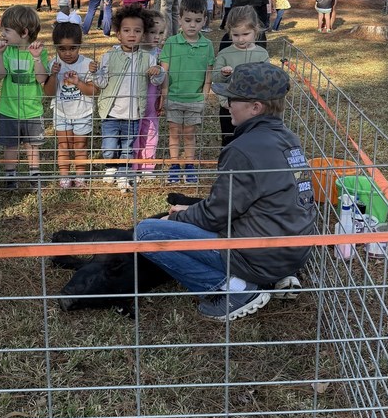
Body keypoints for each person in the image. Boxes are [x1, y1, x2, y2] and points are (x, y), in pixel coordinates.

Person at [135, 62, 316, 323]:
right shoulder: (288, 139)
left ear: (255, 107)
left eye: (232, 98)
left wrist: (175, 219)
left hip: (258, 254)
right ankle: (269, 278)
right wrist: (190, 211)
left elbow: (216, 215)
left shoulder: (243, 149)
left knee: (147, 232)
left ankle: (236, 289)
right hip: (290, 252)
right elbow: (242, 204)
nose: (226, 103)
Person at [93, 4, 165, 192]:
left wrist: (158, 71)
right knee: (109, 145)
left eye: (137, 31)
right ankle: (110, 167)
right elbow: (101, 83)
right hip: (111, 111)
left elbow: (156, 81)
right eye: (126, 30)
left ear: (142, 34)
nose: (132, 34)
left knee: (128, 146)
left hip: (134, 113)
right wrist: (95, 73)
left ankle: (124, 174)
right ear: (118, 34)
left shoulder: (148, 58)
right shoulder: (109, 56)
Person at [0, 5, 49, 190]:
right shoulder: (7, 51)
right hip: (9, 110)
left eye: (7, 30)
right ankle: (11, 178)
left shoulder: (40, 51)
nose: (2, 34)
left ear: (24, 32)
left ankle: (34, 176)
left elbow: (41, 79)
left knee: (32, 146)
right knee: (10, 145)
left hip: (32, 110)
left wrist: (37, 58)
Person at [161, 0, 216, 185]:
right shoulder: (171, 43)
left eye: (197, 20)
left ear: (204, 21)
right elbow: (164, 72)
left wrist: (204, 95)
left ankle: (190, 165)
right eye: (188, 20)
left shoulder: (207, 45)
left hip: (194, 99)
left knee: (190, 133)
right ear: (180, 19)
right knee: (174, 132)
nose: (192, 25)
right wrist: (164, 95)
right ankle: (175, 165)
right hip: (174, 97)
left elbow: (209, 73)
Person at [44, 20, 98, 189]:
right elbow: (49, 93)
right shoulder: (53, 64)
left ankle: (80, 176)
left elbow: (94, 91)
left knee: (80, 145)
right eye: (62, 49)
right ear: (55, 47)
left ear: (79, 45)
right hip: (61, 112)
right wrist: (53, 75)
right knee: (63, 145)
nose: (67, 53)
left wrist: (78, 83)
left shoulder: (87, 64)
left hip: (82, 112)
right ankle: (65, 176)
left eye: (72, 48)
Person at [211, 6, 270, 148]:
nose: (241, 39)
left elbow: (267, 79)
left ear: (255, 31)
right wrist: (223, 76)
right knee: (230, 139)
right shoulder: (225, 53)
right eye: (236, 35)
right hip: (229, 107)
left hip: (254, 107)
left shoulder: (262, 54)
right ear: (229, 32)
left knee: (253, 140)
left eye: (245, 34)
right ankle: (228, 166)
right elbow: (216, 79)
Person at [132, 9, 167, 177]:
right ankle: (133, 165)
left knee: (151, 131)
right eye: (153, 32)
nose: (157, 37)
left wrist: (163, 98)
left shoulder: (161, 55)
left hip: (152, 102)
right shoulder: (134, 53)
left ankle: (147, 166)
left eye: (160, 33)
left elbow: (165, 78)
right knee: (134, 132)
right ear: (143, 32)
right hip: (134, 103)